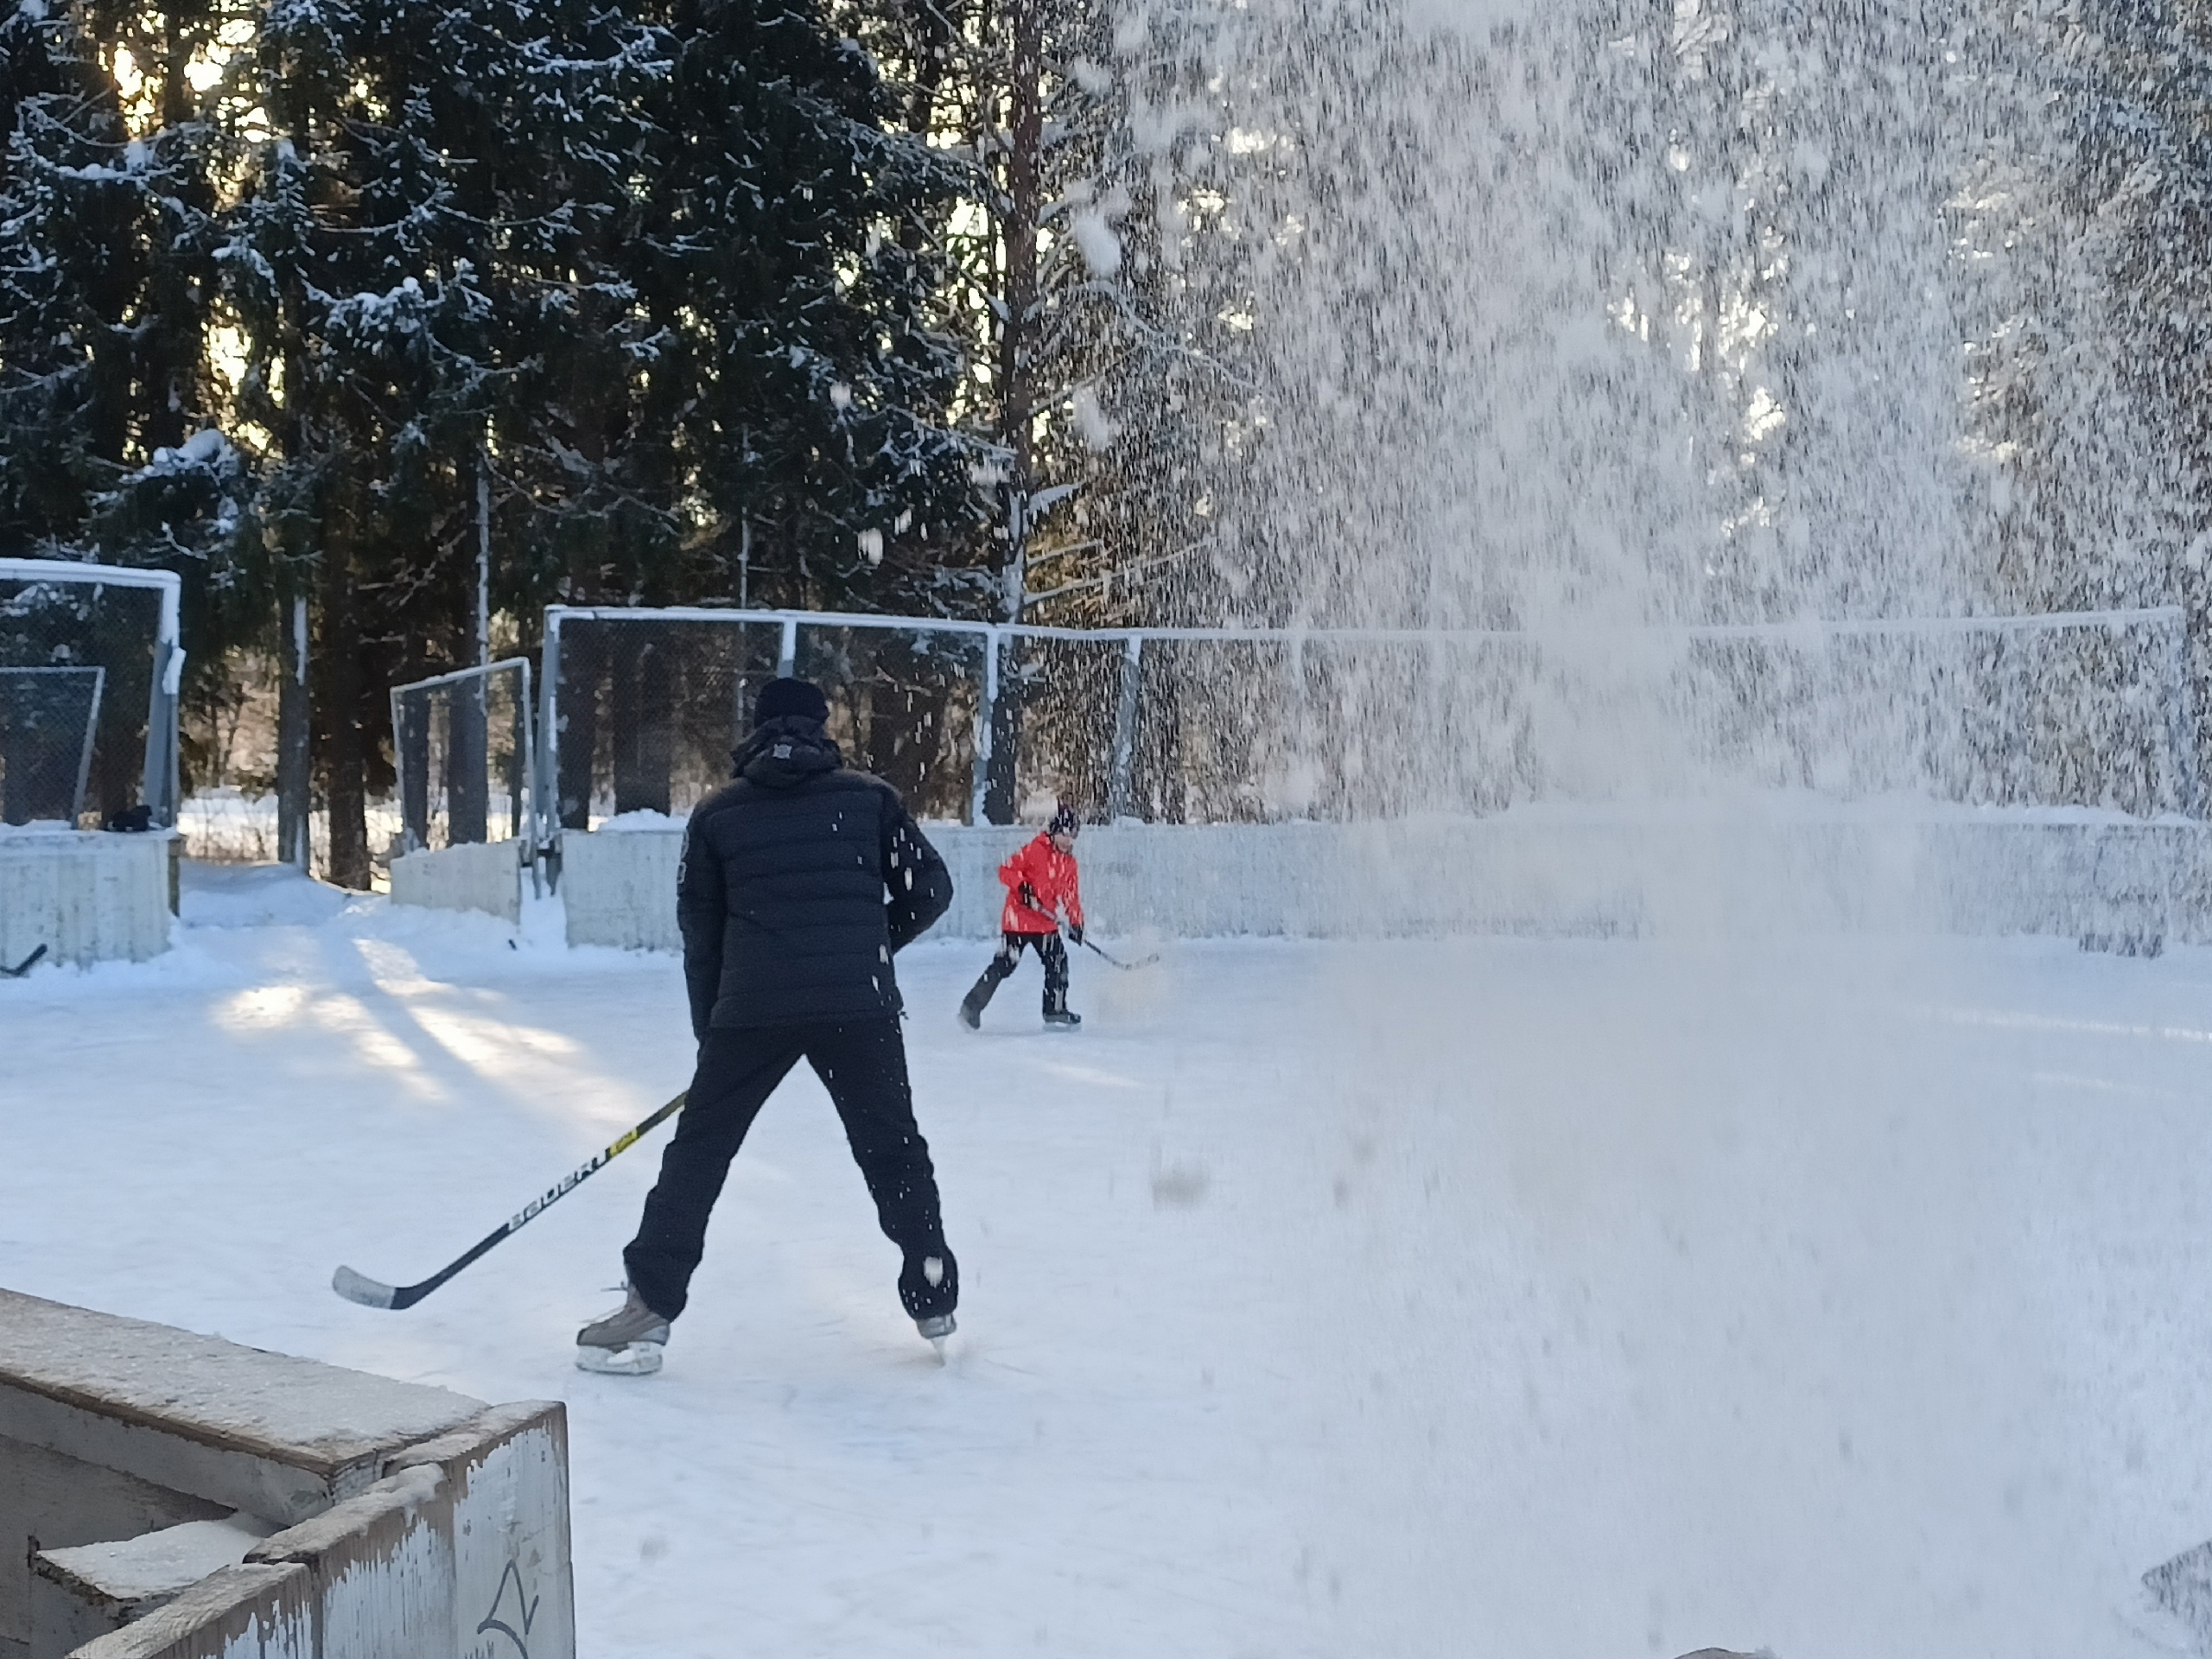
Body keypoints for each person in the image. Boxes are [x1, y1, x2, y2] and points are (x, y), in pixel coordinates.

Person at [576, 677, 958, 1376]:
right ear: (823, 725)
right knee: (892, 1148)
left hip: (752, 1009)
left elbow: (702, 935)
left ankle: (649, 1309)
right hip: (858, 1003)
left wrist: (711, 1033)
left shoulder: (721, 814)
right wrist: (859, 948)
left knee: (699, 1155)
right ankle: (930, 1287)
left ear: (755, 728)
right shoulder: (869, 798)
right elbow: (931, 889)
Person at [959, 802, 1085, 1032]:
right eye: (1064, 834)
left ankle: (1054, 1010)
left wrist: (1076, 922)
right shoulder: (1035, 850)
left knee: (1057, 962)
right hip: (1018, 919)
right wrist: (1022, 887)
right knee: (1005, 964)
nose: (1068, 840)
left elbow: (1071, 896)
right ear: (1055, 831)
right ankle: (970, 1008)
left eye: (1072, 835)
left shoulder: (1069, 863)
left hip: (1044, 923)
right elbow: (1005, 870)